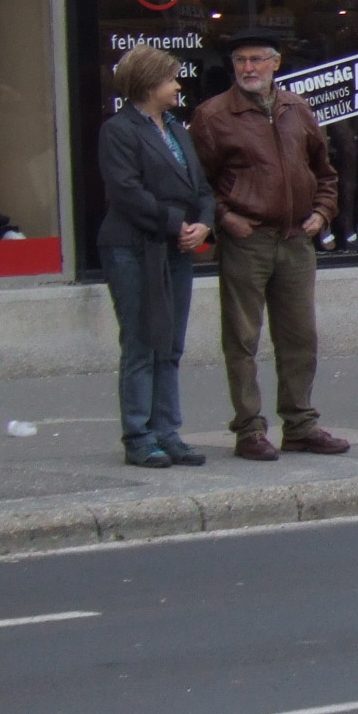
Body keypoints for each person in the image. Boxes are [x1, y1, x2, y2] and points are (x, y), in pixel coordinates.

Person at [189, 28, 351, 462]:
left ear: (276, 63)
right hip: (248, 239)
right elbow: (198, 184)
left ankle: (300, 424)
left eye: (257, 59)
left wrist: (323, 212)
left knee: (300, 337)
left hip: (297, 238)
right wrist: (226, 218)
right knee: (242, 338)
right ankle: (249, 429)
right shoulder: (213, 115)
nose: (249, 68)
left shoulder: (297, 108)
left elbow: (325, 171)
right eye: (240, 60)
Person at [98, 43, 212, 469]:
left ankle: (167, 431)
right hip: (133, 247)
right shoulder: (119, 130)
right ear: (148, 84)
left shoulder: (177, 129)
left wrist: (203, 224)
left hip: (174, 248)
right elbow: (126, 190)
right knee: (142, 343)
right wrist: (174, 222)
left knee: (170, 344)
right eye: (170, 79)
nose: (178, 85)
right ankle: (139, 435)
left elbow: (201, 187)